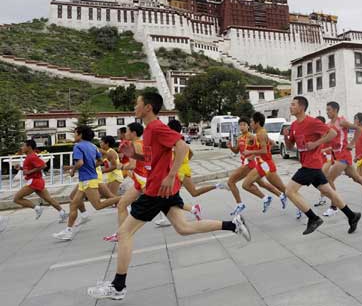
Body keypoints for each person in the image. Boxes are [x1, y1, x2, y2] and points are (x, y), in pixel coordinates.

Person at [87, 93, 250, 301]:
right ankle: (233, 225)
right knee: (184, 228)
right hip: (165, 190)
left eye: (137, 103)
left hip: (156, 190)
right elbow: (151, 157)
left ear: (147, 107)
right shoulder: (148, 132)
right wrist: (134, 154)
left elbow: (181, 146)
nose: (134, 106)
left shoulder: (156, 127)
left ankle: (118, 286)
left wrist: (171, 174)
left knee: (124, 232)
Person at [283, 96, 361, 235]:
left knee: (290, 191)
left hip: (311, 164)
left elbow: (332, 133)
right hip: (310, 164)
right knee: (329, 192)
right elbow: (290, 147)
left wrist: (315, 144)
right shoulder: (294, 125)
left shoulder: (312, 122)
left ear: (301, 107)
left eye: (293, 105)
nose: (291, 107)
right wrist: (285, 136)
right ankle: (352, 216)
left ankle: (313, 218)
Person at [53, 126, 121, 241]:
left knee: (98, 205)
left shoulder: (78, 146)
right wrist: (90, 167)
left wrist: (73, 170)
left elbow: (79, 162)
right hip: (86, 179)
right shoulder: (93, 146)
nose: (74, 136)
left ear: (80, 135)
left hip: (88, 180)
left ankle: (123, 199)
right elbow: (100, 161)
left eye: (75, 133)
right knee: (73, 204)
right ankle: (68, 231)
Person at [323, 101, 362, 216]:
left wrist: (352, 143)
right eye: (326, 110)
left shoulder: (342, 121)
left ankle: (334, 206)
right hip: (337, 156)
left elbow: (358, 129)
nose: (327, 112)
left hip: (344, 155)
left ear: (335, 110)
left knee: (328, 179)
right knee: (358, 178)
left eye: (328, 110)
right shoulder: (329, 124)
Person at [220, 117, 281, 216]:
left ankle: (240, 204)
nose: (242, 127)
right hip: (246, 164)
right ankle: (279, 195)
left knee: (231, 181)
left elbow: (269, 144)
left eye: (244, 124)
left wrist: (256, 154)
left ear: (248, 126)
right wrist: (231, 147)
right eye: (240, 125)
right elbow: (236, 151)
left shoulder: (252, 137)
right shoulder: (239, 138)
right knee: (262, 184)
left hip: (250, 164)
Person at [240, 112, 288, 213]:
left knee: (283, 188)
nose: (251, 124)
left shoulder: (261, 133)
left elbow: (264, 150)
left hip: (267, 165)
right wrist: (255, 155)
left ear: (257, 123)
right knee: (246, 185)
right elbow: (272, 143)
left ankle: (299, 206)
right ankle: (266, 198)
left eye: (252, 121)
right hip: (262, 164)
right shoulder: (259, 133)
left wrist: (250, 152)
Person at [13, 139, 67, 222]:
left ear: (29, 147)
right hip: (38, 181)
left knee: (17, 199)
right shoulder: (29, 156)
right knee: (48, 199)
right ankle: (62, 213)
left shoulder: (32, 156)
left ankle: (37, 208)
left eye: (23, 145)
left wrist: (30, 172)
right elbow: (30, 169)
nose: (22, 147)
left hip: (34, 182)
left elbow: (43, 165)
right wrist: (20, 168)